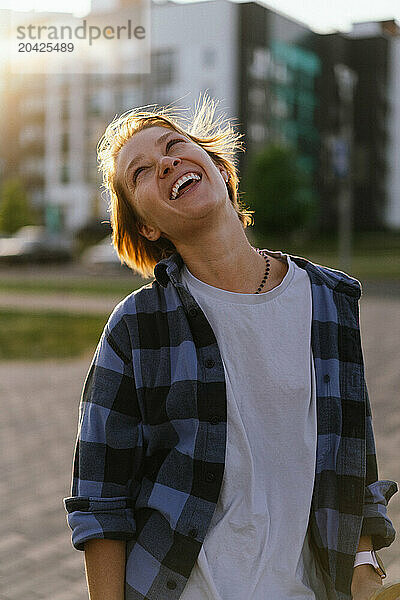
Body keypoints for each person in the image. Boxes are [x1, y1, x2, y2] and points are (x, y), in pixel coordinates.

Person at [64, 95, 398, 600]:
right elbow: (101, 502)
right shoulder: (137, 328)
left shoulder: (330, 301)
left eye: (175, 145)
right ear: (147, 226)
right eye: (142, 172)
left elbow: (351, 461)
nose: (167, 162)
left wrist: (366, 568)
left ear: (219, 168)